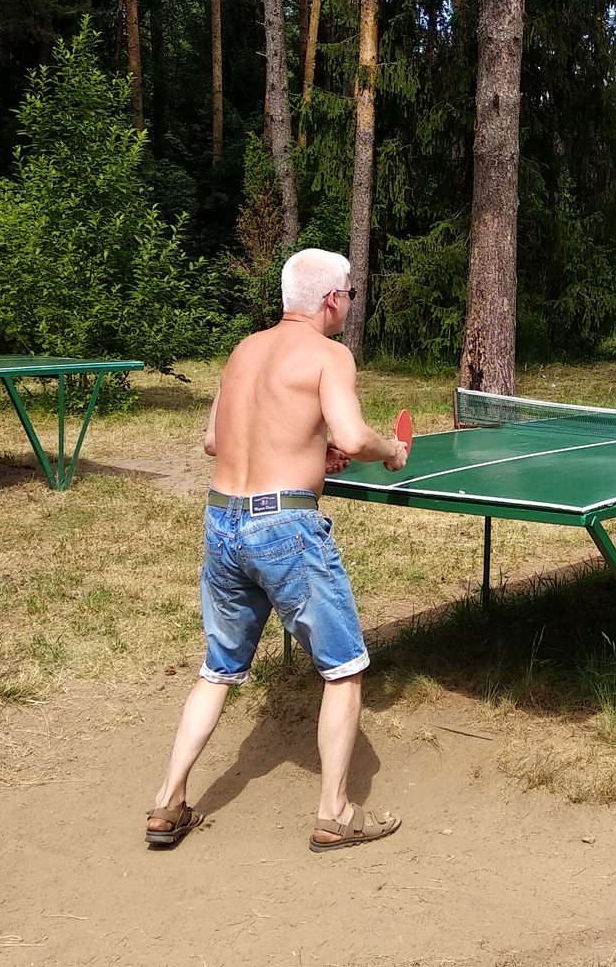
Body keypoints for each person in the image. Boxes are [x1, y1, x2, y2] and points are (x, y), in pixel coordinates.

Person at [144, 248, 410, 852]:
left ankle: (168, 801)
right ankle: (336, 812)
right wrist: (388, 450)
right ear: (330, 300)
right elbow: (349, 434)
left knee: (218, 669)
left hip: (222, 521)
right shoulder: (329, 354)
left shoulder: (244, 350)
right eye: (348, 294)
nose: (349, 303)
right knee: (344, 668)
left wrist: (308, 448)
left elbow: (215, 440)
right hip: (284, 528)